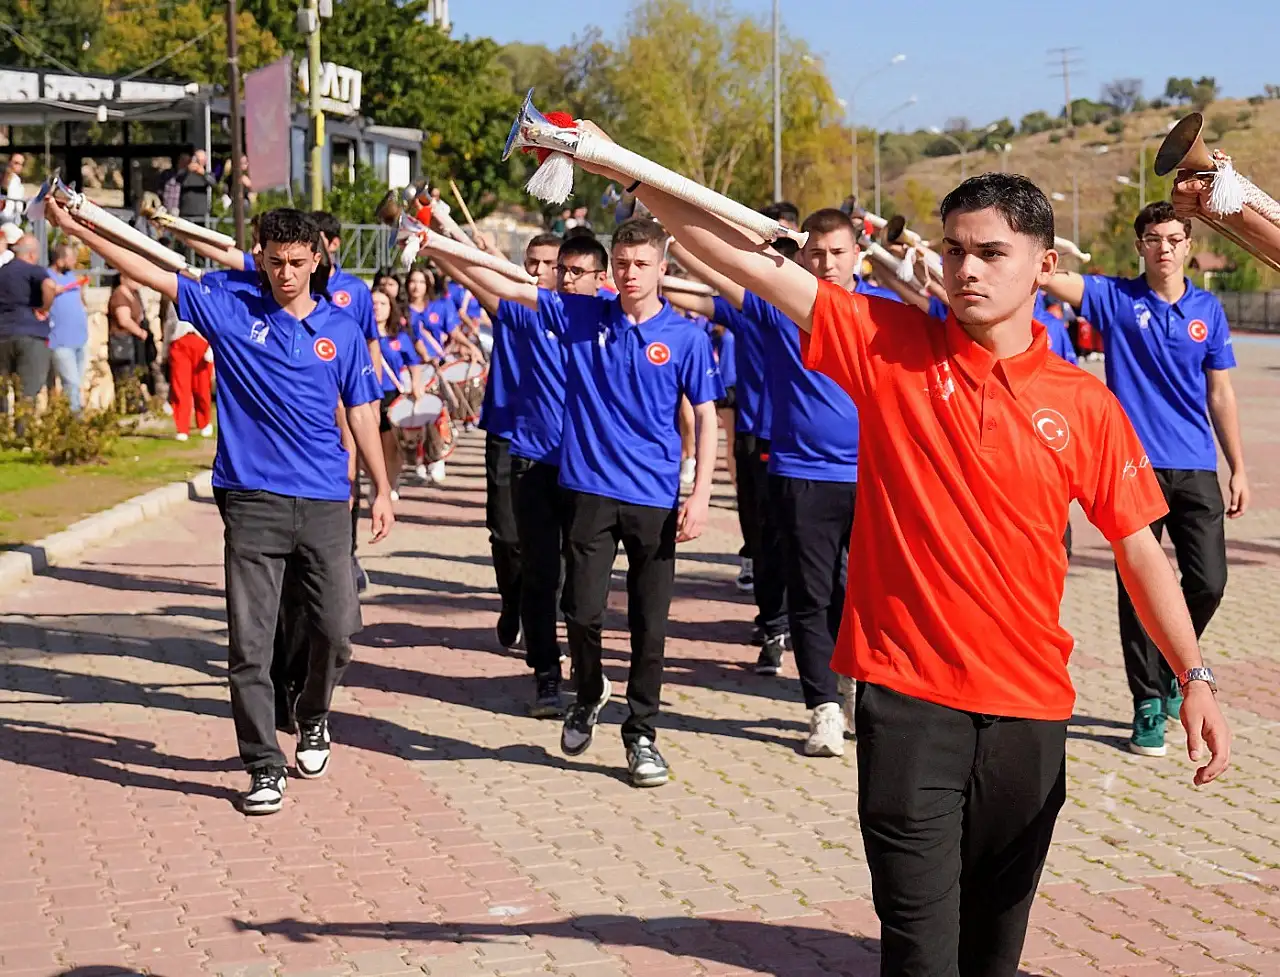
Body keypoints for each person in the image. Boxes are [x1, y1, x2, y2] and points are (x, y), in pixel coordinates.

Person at [620, 153, 1231, 973]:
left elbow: (1140, 549)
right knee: (919, 955)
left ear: (1044, 264)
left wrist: (1194, 674)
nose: (966, 269)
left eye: (990, 253)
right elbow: (748, 262)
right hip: (909, 708)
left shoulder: (1085, 403)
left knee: (993, 956)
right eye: (954, 250)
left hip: (1030, 715)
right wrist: (627, 174)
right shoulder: (886, 344)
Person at [45, 198, 394, 816]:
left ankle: (312, 716)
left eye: (297, 262)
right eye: (275, 262)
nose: (286, 274)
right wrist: (78, 227)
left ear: (317, 260)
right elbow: (153, 268)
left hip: (323, 501)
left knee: (338, 631)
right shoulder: (230, 310)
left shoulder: (341, 328)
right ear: (262, 259)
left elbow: (362, 410)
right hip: (253, 499)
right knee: (250, 644)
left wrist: (382, 488)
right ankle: (263, 765)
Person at [425, 217, 723, 788]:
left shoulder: (685, 338)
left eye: (642, 265)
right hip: (590, 491)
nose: (631, 274)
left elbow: (705, 416)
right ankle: (588, 692)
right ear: (612, 269)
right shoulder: (583, 315)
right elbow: (510, 285)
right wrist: (437, 241)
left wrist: (702, 493)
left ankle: (641, 734)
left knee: (650, 624)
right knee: (581, 612)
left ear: (662, 269)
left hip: (654, 499)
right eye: (623, 264)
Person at [672, 209, 897, 758]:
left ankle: (856, 685)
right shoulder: (777, 310)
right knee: (811, 596)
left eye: (837, 253)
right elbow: (719, 266)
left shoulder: (883, 312)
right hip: (802, 474)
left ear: (857, 255)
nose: (827, 263)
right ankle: (823, 708)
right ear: (803, 257)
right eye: (816, 253)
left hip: (874, 477)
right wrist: (669, 232)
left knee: (864, 596)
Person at [1041, 199, 1246, 759]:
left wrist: (1238, 467)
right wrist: (1037, 251)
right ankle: (1148, 702)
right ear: (1140, 247)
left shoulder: (1208, 309)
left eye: (1174, 239)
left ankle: (1172, 663)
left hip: (1196, 464)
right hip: (1132, 465)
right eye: (1154, 239)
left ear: (1188, 246)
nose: (1164, 248)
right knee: (1137, 588)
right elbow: (1050, 277)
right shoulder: (1114, 298)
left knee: (1209, 581)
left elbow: (1221, 393)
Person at [439, 233, 608, 717]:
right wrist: (438, 244)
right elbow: (485, 281)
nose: (553, 275)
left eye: (564, 268)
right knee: (537, 570)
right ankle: (546, 673)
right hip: (532, 459)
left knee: (582, 580)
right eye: (552, 268)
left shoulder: (607, 317)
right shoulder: (530, 313)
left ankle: (585, 667)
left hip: (587, 467)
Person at [0, 233, 55, 404]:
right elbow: (50, 285)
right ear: (32, 254)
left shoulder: (2, 271)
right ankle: (23, 422)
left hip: (3, 334)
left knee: (2, 391)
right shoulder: (33, 269)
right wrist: (44, 308)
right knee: (27, 394)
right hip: (31, 334)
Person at [161, 293, 214, 441]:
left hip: (200, 342)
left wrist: (212, 347)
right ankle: (182, 428)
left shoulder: (205, 295)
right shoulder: (174, 297)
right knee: (180, 387)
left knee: (202, 386)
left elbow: (213, 322)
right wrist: (165, 350)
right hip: (179, 343)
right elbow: (169, 324)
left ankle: (204, 422)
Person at [47, 244, 90, 413]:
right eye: (71, 258)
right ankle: (74, 420)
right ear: (59, 260)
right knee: (71, 383)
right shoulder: (47, 278)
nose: (74, 262)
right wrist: (51, 291)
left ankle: (74, 417)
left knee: (77, 383)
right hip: (61, 341)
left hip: (80, 339)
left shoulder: (71, 276)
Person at [107, 272, 157, 412]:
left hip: (133, 342)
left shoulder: (134, 294)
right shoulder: (119, 295)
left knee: (135, 372)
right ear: (123, 278)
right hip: (122, 342)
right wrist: (140, 332)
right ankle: (130, 405)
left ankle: (137, 403)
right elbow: (124, 320)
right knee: (125, 374)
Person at [177, 148, 217, 225]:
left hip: (200, 212)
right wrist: (187, 170)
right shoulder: (185, 173)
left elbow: (214, 183)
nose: (196, 163)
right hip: (186, 211)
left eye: (199, 160)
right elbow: (178, 179)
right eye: (195, 159)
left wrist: (203, 174)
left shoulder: (208, 174)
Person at [1, 152, 26, 226]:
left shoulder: (17, 180)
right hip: (7, 217)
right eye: (16, 163)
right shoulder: (7, 178)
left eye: (21, 164)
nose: (18, 166)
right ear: (9, 162)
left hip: (14, 217)